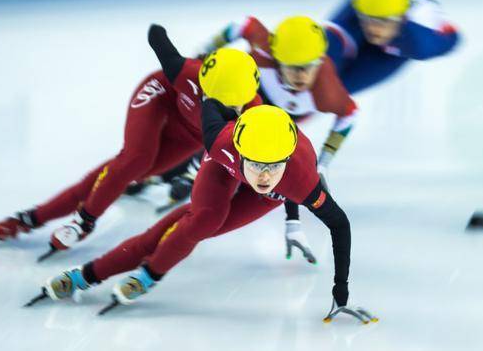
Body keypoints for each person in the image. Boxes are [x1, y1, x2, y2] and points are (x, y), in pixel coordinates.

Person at [37, 83, 376, 322]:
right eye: (256, 163)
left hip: (270, 184)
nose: (263, 175)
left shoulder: (302, 179)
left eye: (273, 165)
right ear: (241, 151)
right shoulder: (221, 142)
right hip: (223, 169)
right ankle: (90, 275)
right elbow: (209, 102)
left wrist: (339, 289)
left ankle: (148, 272)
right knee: (199, 221)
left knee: (198, 228)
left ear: (287, 161)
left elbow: (339, 224)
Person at [0, 27, 261, 259]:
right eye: (212, 98)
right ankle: (85, 220)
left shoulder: (253, 116)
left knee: (130, 173)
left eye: (230, 105)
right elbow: (156, 35)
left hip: (190, 133)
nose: (218, 107)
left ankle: (31, 217)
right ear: (203, 82)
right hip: (160, 96)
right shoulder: (186, 72)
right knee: (135, 160)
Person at [131, 16, 360, 264]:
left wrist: (324, 161)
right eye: (291, 66)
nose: (300, 76)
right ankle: (167, 174)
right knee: (211, 137)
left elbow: (350, 115)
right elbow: (240, 26)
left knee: (250, 160)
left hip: (277, 124)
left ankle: (184, 176)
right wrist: (203, 60)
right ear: (275, 56)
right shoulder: (264, 48)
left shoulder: (327, 92)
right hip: (250, 100)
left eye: (308, 67)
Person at [325, 0, 460, 94]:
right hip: (358, 13)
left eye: (383, 22)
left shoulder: (421, 42)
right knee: (319, 65)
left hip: (397, 44)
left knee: (334, 92)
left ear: (403, 18)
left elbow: (453, 37)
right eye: (368, 20)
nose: (373, 29)